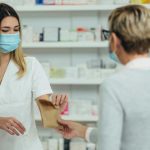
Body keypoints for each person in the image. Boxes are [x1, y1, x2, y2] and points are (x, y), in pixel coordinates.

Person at [58, 4, 150, 150]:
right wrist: (83, 131)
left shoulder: (115, 85)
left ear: (114, 40)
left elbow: (109, 145)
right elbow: (135, 134)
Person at [0, 3, 68, 150]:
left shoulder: (30, 66)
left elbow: (48, 115)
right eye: (5, 30)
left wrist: (54, 108)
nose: (12, 34)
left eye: (16, 30)